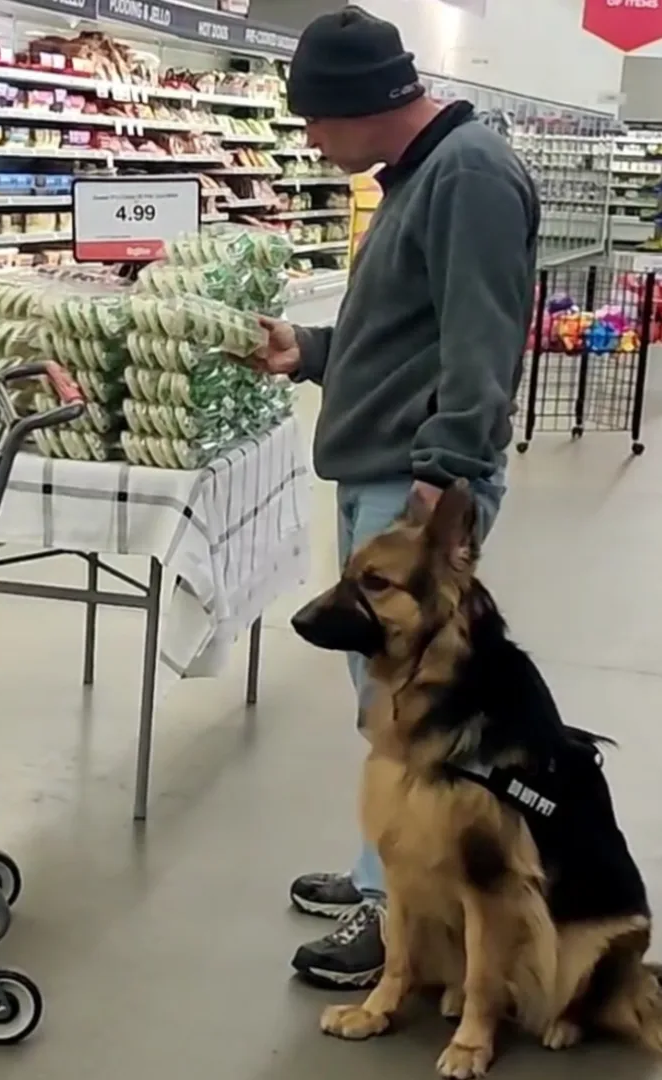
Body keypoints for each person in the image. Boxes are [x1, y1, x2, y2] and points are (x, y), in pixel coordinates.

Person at [248, 6, 541, 990]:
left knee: (409, 710)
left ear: (361, 103)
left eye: (314, 122)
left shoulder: (469, 176)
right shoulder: (421, 176)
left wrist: (442, 485)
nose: (311, 141)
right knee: (382, 707)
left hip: (416, 487)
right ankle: (384, 874)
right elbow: (408, 331)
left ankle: (397, 918)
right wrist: (314, 354)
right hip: (385, 471)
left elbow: (481, 343)